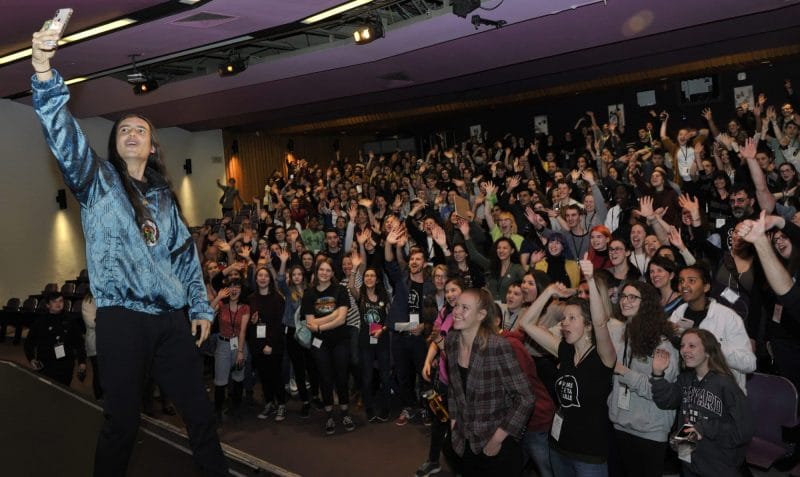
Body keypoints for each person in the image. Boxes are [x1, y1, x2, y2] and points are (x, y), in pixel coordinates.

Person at [31, 25, 226, 476]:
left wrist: (199, 306)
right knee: (122, 422)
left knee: (199, 413)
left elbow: (184, 258)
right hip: (121, 318)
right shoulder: (98, 182)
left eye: (141, 129)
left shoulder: (164, 199)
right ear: (116, 144)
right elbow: (63, 136)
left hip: (170, 321)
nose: (132, 133)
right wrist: (42, 69)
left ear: (153, 145)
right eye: (124, 130)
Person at [520, 258, 617, 477]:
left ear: (588, 325)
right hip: (558, 446)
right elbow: (526, 324)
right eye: (564, 318)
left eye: (572, 318)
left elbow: (602, 323)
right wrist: (549, 292)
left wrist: (590, 279)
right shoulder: (564, 350)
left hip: (589, 456)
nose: (564, 323)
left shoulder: (603, 357)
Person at [446, 288, 534, 477]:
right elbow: (454, 388)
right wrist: (454, 421)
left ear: (481, 315)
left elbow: (526, 397)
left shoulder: (497, 346)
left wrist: (498, 438)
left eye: (465, 307)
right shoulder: (452, 340)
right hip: (464, 441)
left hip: (496, 443)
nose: (457, 311)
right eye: (457, 305)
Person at [651, 329, 755, 477]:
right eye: (682, 346)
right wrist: (657, 375)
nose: (684, 350)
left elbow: (744, 430)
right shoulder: (685, 379)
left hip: (718, 468)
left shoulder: (725, 384)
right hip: (689, 463)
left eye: (692, 346)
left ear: (708, 351)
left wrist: (704, 427)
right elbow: (666, 401)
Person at [607, 281, 678, 477]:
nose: (625, 301)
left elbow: (660, 392)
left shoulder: (661, 343)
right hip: (621, 424)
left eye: (633, 297)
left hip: (650, 433)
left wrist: (625, 374)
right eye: (623, 296)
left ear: (646, 303)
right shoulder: (622, 334)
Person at [668, 264, 756, 392]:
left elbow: (749, 364)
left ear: (706, 287)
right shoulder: (677, 314)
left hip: (722, 395)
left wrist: (712, 347)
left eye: (691, 280)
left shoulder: (727, 316)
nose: (684, 285)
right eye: (681, 281)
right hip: (688, 392)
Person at [418, 277, 464, 477]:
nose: (450, 294)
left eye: (454, 290)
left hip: (461, 384)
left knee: (460, 429)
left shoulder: (467, 316)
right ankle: (433, 461)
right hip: (443, 379)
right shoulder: (445, 312)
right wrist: (428, 361)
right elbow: (437, 340)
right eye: (447, 291)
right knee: (439, 422)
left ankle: (462, 469)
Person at [301, 258, 353, 435]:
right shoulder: (309, 294)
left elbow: (342, 319)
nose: (324, 273)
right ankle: (329, 414)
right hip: (319, 344)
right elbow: (309, 322)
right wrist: (333, 315)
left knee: (341, 377)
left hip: (340, 341)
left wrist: (319, 326)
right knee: (325, 377)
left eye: (328, 270)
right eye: (321, 270)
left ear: (332, 273)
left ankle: (345, 413)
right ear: (316, 272)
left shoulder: (341, 290)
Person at [247, 266, 287, 421]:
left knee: (276, 375)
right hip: (257, 344)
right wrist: (252, 321)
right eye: (260, 276)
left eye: (266, 276)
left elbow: (279, 324)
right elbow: (249, 323)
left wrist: (270, 343)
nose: (263, 278)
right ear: (256, 279)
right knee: (263, 376)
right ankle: (269, 403)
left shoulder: (277, 298)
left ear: (270, 279)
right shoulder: (251, 299)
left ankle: (282, 404)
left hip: (274, 344)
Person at [24, 292, 87, 387]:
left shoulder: (70, 320)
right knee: (46, 391)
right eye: (54, 301)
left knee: (63, 391)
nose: (58, 304)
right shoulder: (40, 322)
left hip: (65, 364)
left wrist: (82, 363)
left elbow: (79, 343)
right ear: (48, 305)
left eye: (61, 301)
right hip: (45, 364)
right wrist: (32, 359)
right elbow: (29, 343)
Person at [209, 279, 250, 421]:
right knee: (220, 380)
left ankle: (236, 408)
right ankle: (217, 410)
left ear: (241, 290)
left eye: (237, 286)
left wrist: (240, 352)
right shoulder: (221, 304)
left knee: (238, 378)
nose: (234, 289)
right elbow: (207, 313)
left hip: (239, 345)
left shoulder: (245, 307)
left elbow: (243, 331)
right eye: (231, 286)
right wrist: (218, 297)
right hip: (223, 345)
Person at [82, 291, 103, 400]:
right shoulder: (88, 301)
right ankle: (99, 399)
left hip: (110, 343)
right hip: (95, 343)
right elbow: (91, 322)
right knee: (99, 373)